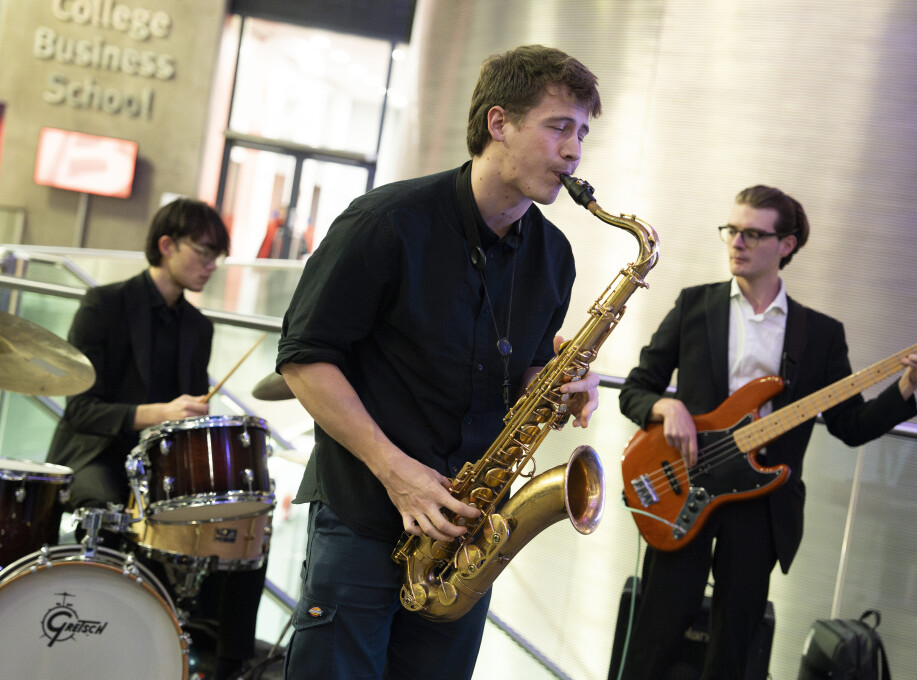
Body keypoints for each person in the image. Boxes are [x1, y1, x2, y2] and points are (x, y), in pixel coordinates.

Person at [276, 44, 603, 679]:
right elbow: (303, 359)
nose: (574, 151)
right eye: (559, 126)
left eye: (583, 133)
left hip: (466, 537)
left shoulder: (553, 256)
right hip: (366, 515)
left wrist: (556, 386)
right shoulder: (386, 222)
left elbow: (529, 365)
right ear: (499, 123)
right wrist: (396, 472)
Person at [615, 185, 917, 680]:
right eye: (732, 230)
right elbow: (635, 390)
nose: (737, 242)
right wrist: (667, 406)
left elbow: (850, 426)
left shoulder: (820, 335)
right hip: (683, 485)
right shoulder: (694, 306)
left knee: (732, 650)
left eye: (752, 233)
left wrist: (908, 382)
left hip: (760, 506)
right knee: (654, 638)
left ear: (786, 245)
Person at [46, 198, 262, 680]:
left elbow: (181, 417)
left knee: (245, 521)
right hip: (95, 454)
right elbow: (80, 409)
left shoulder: (198, 326)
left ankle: (227, 663)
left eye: (216, 257)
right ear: (166, 245)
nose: (211, 266)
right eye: (204, 252)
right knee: (113, 510)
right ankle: (98, 644)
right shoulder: (105, 304)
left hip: (160, 469)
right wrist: (160, 412)